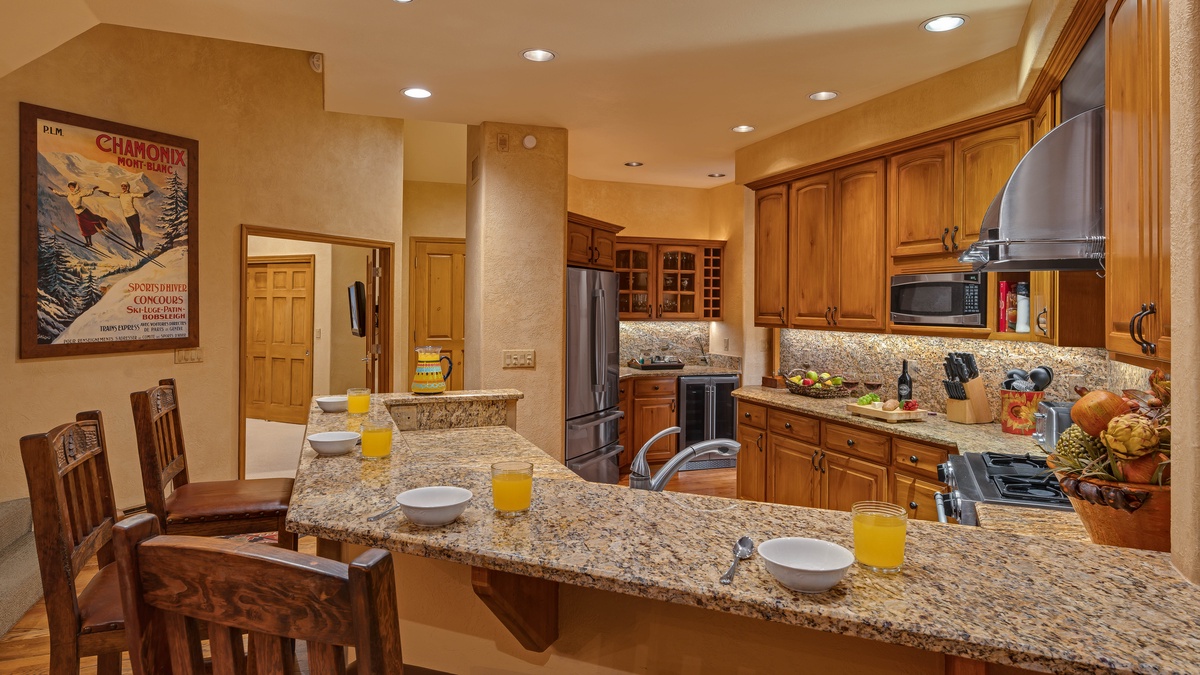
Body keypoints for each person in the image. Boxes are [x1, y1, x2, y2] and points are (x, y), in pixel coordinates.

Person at [49, 181, 108, 246]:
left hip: (84, 211)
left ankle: (102, 223)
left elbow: (87, 193)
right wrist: (53, 190)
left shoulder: (79, 193)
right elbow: (60, 194)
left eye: (72, 187)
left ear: (75, 187)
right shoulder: (68, 194)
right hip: (78, 213)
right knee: (83, 228)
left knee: (92, 221)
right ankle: (89, 242)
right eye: (70, 187)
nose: (71, 188)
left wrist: (93, 189)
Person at [100, 182, 154, 250]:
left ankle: (141, 245)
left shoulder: (131, 194)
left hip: (133, 214)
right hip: (127, 216)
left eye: (124, 186)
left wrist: (150, 192)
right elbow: (111, 194)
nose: (123, 187)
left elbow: (142, 195)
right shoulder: (120, 195)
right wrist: (102, 192)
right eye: (122, 186)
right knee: (133, 231)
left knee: (137, 230)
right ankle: (137, 246)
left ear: (127, 187)